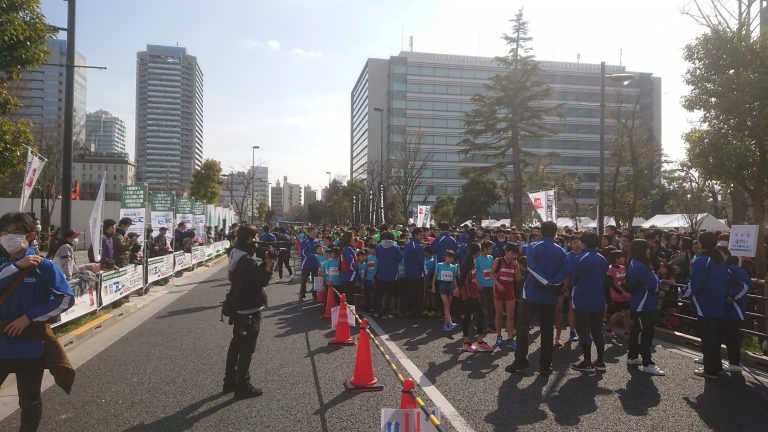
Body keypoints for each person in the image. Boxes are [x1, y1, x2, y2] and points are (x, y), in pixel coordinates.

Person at [0, 212, 74, 431]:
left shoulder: (45, 266)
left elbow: (66, 298)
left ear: (31, 235)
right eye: (4, 232)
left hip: (30, 345)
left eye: (15, 232)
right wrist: (17, 266)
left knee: (29, 400)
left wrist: (28, 318)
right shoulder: (3, 263)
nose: (8, 237)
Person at [507, 221, 566, 376]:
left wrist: (545, 282)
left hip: (532, 292)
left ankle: (520, 361)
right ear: (555, 233)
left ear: (541, 232)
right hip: (550, 295)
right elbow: (564, 270)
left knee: (523, 328)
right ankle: (545, 366)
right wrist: (552, 283)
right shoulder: (561, 251)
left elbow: (532, 266)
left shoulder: (532, 247)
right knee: (547, 330)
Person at [223, 224, 273, 399]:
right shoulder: (247, 261)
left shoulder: (235, 253)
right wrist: (268, 263)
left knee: (237, 343)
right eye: (255, 237)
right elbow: (262, 280)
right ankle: (243, 386)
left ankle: (229, 380)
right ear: (249, 239)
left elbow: (249, 278)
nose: (256, 241)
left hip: (238, 305)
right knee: (247, 349)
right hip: (249, 309)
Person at [684, 231, 729, 379]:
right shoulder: (719, 259)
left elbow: (695, 283)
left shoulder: (702, 260)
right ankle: (717, 367)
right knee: (715, 337)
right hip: (718, 302)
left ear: (702, 243)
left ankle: (710, 370)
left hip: (704, 303)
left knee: (708, 337)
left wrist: (684, 292)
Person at [569, 232, 610, 373]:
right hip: (598, 298)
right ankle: (600, 361)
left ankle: (587, 361)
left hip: (582, 298)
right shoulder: (602, 258)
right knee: (597, 329)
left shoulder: (580, 258)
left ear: (584, 242)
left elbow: (574, 278)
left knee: (583, 330)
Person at [626, 239, 666, 376]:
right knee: (646, 332)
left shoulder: (634, 263)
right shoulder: (639, 265)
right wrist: (657, 279)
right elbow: (654, 283)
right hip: (643, 303)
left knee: (637, 330)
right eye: (647, 248)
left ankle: (632, 356)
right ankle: (647, 363)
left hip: (640, 303)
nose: (649, 251)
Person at [710, 246, 752, 373]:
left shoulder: (733, 269)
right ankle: (714, 359)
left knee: (731, 337)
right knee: (719, 335)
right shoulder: (719, 268)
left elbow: (747, 284)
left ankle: (734, 363)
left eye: (720, 253)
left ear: (727, 255)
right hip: (721, 309)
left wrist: (733, 295)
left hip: (733, 309)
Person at [458, 243, 494, 352]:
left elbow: (472, 277)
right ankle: (466, 342)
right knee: (468, 315)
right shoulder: (469, 263)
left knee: (480, 314)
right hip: (467, 291)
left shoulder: (473, 261)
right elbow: (463, 277)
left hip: (473, 290)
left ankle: (480, 341)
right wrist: (458, 289)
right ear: (477, 251)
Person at [491, 243, 521, 349]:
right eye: (512, 253)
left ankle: (510, 338)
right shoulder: (498, 260)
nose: (514, 256)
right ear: (506, 251)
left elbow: (518, 279)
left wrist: (517, 269)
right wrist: (498, 284)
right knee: (499, 314)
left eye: (515, 254)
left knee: (511, 315)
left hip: (510, 291)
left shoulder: (515, 263)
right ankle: (499, 336)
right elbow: (491, 274)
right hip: (498, 290)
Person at [605, 250, 631, 342]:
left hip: (625, 295)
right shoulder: (610, 269)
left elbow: (626, 280)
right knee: (618, 314)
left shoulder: (623, 268)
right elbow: (611, 284)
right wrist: (622, 292)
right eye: (622, 257)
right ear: (616, 259)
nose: (624, 259)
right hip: (616, 295)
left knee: (627, 313)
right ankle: (608, 330)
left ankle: (627, 332)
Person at [376, 231, 402, 318]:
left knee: (380, 293)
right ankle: (386, 312)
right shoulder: (396, 247)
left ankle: (378, 311)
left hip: (381, 272)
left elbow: (377, 257)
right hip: (392, 273)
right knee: (389, 294)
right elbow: (399, 259)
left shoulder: (378, 246)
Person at [433, 250, 459, 332]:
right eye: (449, 257)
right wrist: (433, 286)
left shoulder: (453, 267)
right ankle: (450, 323)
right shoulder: (439, 265)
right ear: (445, 257)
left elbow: (454, 278)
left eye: (452, 258)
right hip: (442, 285)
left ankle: (446, 324)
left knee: (448, 306)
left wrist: (456, 288)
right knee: (446, 304)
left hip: (450, 285)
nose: (451, 259)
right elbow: (435, 275)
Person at [403, 228, 425, 317]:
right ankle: (416, 311)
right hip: (417, 273)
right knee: (418, 294)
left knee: (409, 293)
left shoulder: (407, 244)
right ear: (415, 235)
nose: (422, 236)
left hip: (409, 272)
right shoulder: (417, 245)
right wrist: (423, 270)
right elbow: (421, 260)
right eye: (421, 234)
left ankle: (407, 311)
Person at [475, 241, 496, 332]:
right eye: (490, 248)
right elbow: (474, 273)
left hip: (491, 285)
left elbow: (493, 271)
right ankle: (481, 324)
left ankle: (491, 323)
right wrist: (477, 283)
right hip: (482, 286)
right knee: (482, 306)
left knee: (492, 306)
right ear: (485, 249)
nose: (492, 250)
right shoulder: (477, 259)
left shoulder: (491, 258)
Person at [299, 227, 319, 301]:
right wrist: (313, 255)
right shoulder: (305, 241)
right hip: (306, 264)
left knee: (315, 281)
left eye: (315, 233)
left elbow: (319, 251)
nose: (315, 234)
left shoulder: (317, 241)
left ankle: (315, 295)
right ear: (309, 233)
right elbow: (303, 252)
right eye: (314, 233)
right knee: (304, 280)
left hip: (315, 264)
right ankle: (302, 295)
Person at [338, 231, 358, 304]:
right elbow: (351, 261)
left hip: (345, 272)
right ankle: (349, 307)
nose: (353, 238)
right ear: (349, 238)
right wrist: (355, 268)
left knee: (346, 291)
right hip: (349, 272)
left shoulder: (344, 247)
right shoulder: (348, 248)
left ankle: (346, 306)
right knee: (349, 292)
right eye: (352, 237)